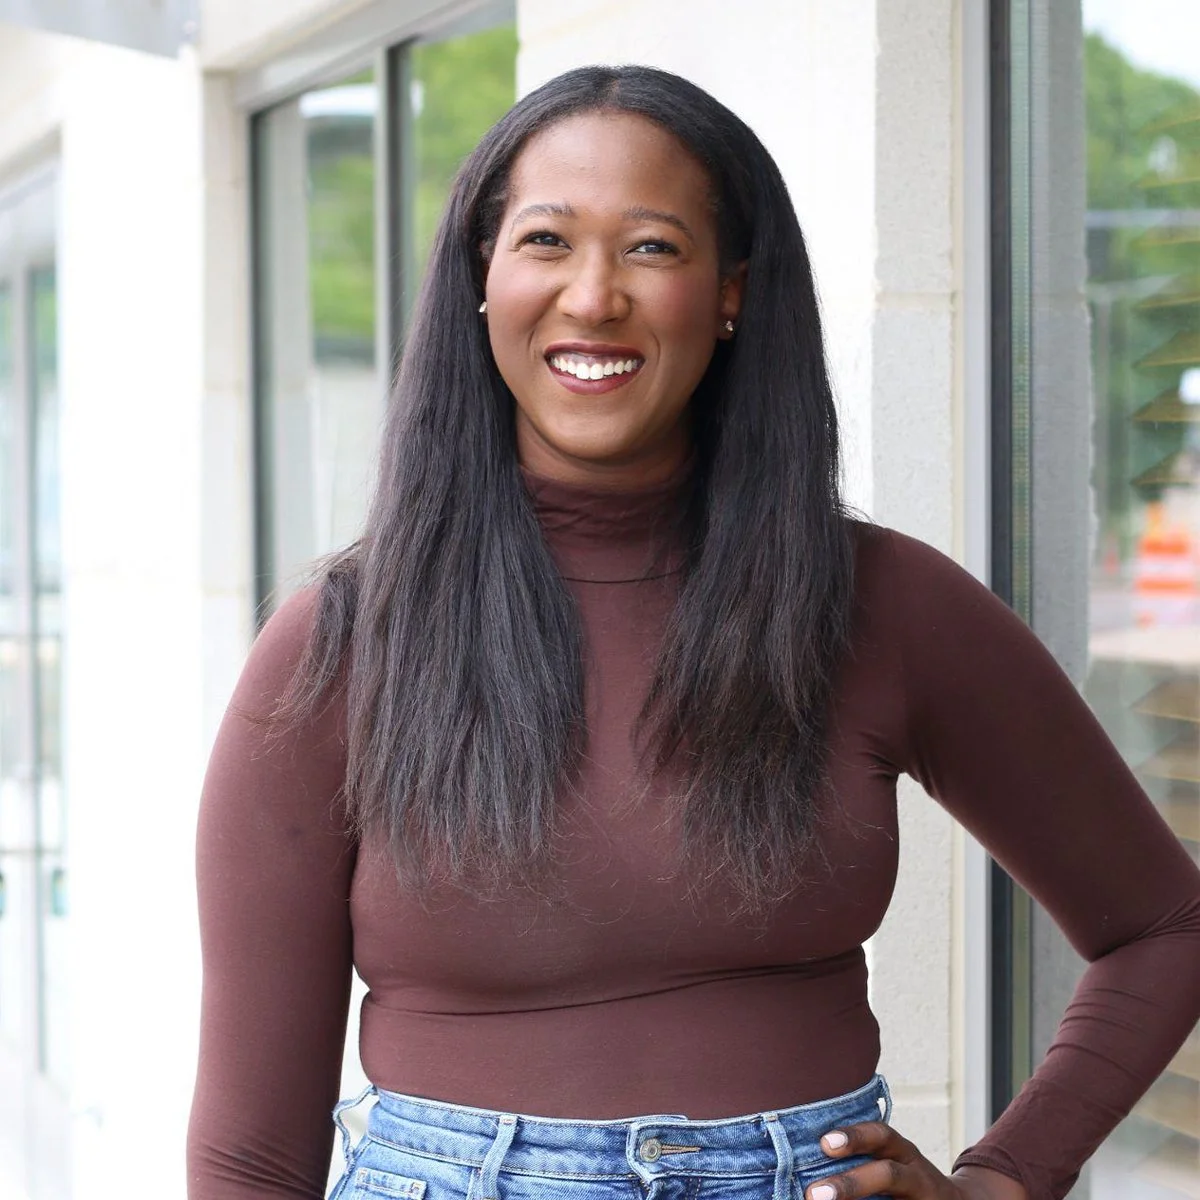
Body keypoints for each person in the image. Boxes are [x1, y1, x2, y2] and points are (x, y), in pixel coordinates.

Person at [186, 64, 1200, 1200]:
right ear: (483, 278)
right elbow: (249, 1155)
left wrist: (1007, 1180)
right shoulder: (341, 646)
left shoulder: (880, 605)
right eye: (547, 241)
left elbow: (1164, 925)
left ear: (732, 292)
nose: (592, 297)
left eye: (654, 247)